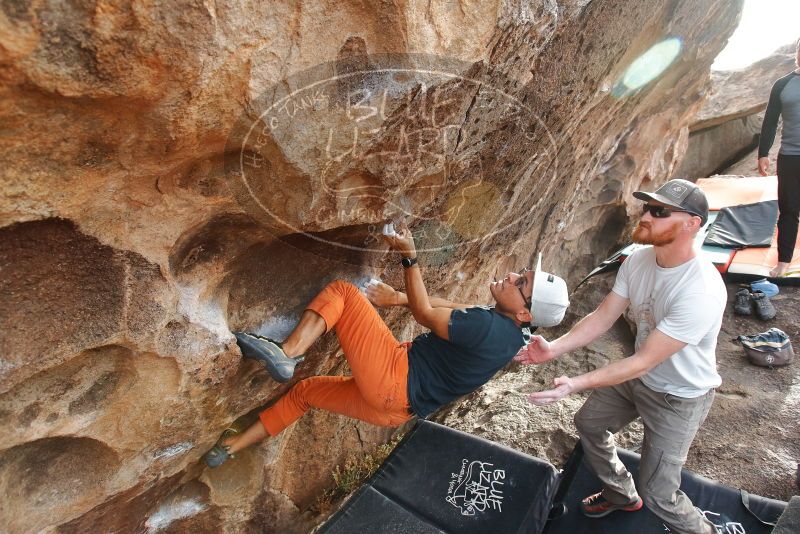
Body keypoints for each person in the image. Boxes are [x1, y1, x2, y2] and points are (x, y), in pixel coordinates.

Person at [204, 225, 570, 467]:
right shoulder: (509, 335)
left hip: (394, 377)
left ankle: (288, 353)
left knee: (344, 293)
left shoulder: (489, 327)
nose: (511, 275)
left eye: (520, 281)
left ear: (524, 312)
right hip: (395, 410)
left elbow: (428, 314)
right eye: (521, 271)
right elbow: (459, 310)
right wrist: (397, 298)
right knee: (306, 393)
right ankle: (229, 449)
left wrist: (409, 256)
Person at [515, 179, 725, 534]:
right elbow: (602, 316)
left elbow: (644, 359)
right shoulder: (640, 259)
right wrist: (554, 349)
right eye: (646, 207)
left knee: (659, 494)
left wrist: (574, 385)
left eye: (659, 211)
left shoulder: (700, 290)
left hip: (679, 396)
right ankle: (620, 493)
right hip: (638, 380)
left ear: (691, 223)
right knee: (590, 424)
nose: (646, 215)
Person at [757, 37, 800, 277]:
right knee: (789, 209)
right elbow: (771, 121)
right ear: (797, 52)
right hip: (790, 157)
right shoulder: (783, 84)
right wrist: (763, 153)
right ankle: (783, 261)